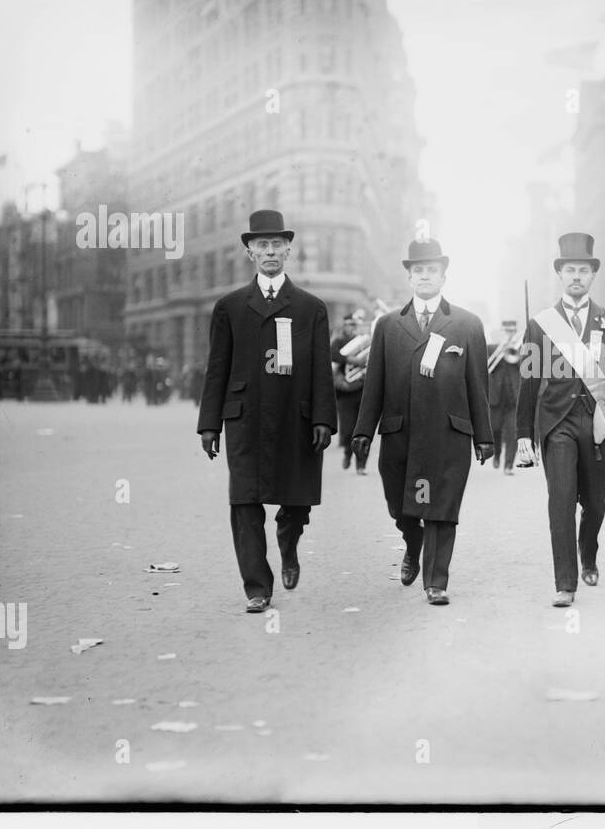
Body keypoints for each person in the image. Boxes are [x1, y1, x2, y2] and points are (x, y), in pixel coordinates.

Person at [197, 209, 337, 613]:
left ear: (289, 250)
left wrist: (325, 418)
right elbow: (216, 369)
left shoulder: (312, 308)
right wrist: (209, 425)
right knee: (244, 501)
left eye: (277, 244)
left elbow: (319, 372)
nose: (270, 251)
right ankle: (258, 587)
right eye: (262, 245)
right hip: (245, 419)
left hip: (296, 416)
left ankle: (289, 543)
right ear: (249, 252)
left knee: (296, 499)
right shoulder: (230, 307)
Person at [350, 238, 493, 607]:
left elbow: (478, 383)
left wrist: (485, 436)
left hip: (449, 433)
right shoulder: (387, 325)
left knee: (442, 508)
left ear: (444, 276)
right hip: (401, 432)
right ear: (409, 278)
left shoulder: (466, 324)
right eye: (418, 271)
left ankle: (436, 582)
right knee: (402, 506)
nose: (425, 276)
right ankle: (412, 544)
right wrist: (364, 429)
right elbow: (374, 382)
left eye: (431, 270)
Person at [515, 232, 605, 607]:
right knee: (560, 500)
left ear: (592, 276)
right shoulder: (541, 324)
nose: (576, 276)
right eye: (570, 270)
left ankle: (588, 551)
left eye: (583, 270)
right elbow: (528, 381)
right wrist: (524, 433)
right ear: (560, 274)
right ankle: (565, 583)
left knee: (596, 501)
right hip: (557, 423)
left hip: (601, 424)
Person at [331, 311, 370, 473]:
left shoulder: (364, 342)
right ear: (344, 325)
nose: (351, 327)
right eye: (348, 324)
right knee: (348, 430)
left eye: (354, 324)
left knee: (363, 431)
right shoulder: (339, 341)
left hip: (363, 391)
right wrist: (351, 360)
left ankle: (361, 465)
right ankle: (348, 453)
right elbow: (332, 354)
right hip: (345, 392)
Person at [486, 319, 522, 474]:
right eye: (507, 331)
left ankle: (508, 465)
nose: (509, 334)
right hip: (496, 398)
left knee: (512, 432)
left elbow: (527, 368)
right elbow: (485, 367)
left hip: (514, 400)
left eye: (512, 331)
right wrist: (500, 351)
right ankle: (497, 455)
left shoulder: (521, 348)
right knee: (495, 429)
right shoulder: (492, 348)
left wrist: (518, 355)